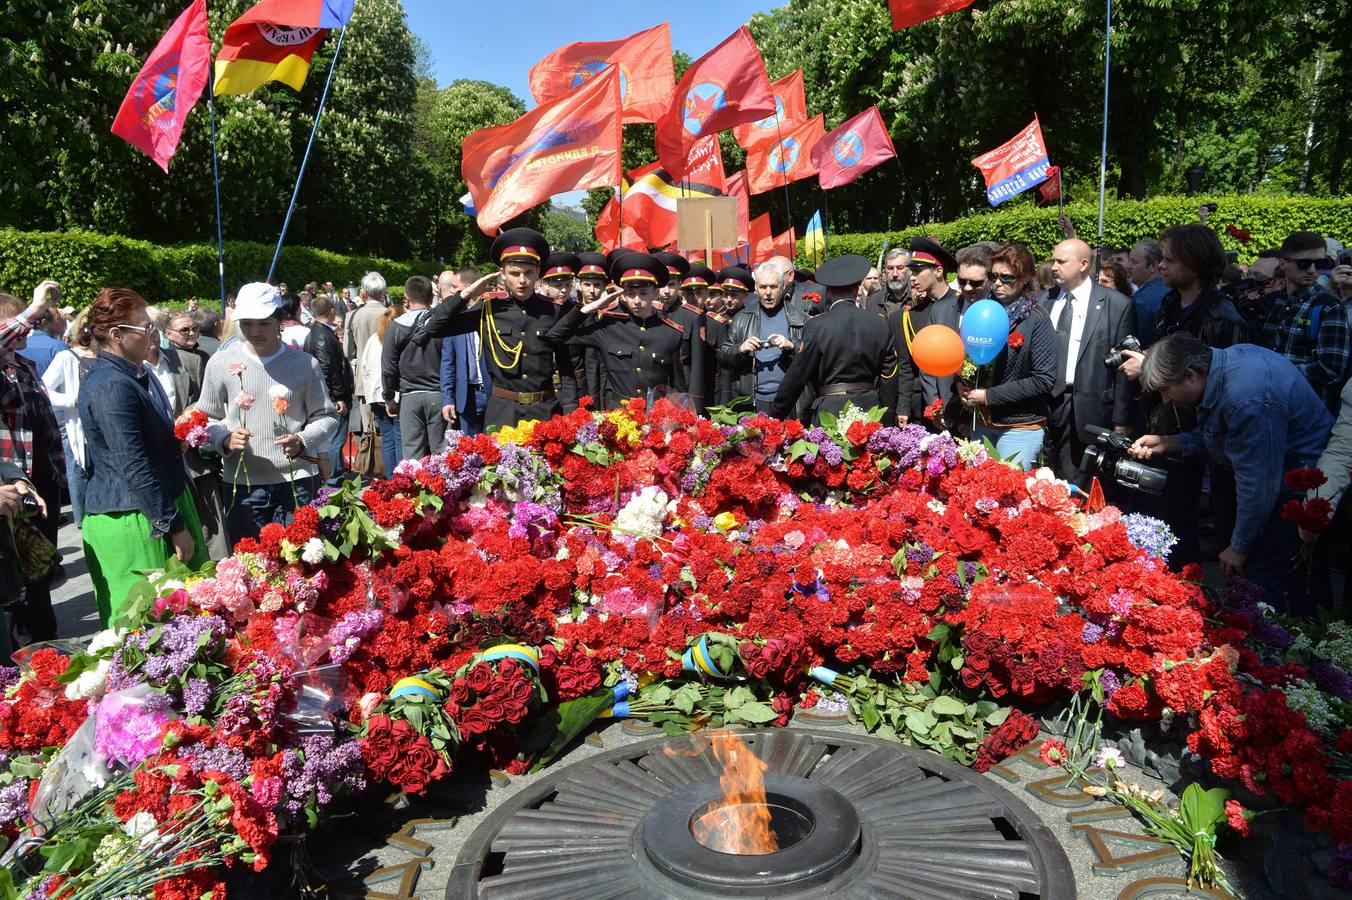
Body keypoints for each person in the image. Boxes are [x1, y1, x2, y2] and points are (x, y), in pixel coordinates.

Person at [1128, 333, 1332, 613]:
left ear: (1191, 376)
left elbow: (1258, 484)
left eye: (1166, 389)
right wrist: (1170, 442)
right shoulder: (1221, 370)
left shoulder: (1247, 398)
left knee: (1262, 573)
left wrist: (1240, 545)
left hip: (1299, 481)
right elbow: (1219, 434)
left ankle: (1281, 646)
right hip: (1281, 473)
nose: (1165, 400)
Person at [78, 288, 208, 626]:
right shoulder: (111, 385)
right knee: (147, 625)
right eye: (145, 329)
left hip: (157, 504)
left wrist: (171, 440)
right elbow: (130, 463)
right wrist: (172, 524)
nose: (152, 335)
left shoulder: (133, 373)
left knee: (186, 620)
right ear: (116, 335)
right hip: (135, 516)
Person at [1135, 224, 1249, 568]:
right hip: (1163, 427)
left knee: (1180, 525)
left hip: (1200, 440)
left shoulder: (1222, 316)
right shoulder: (1168, 304)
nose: (1161, 266)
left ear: (1195, 265)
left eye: (1169, 259)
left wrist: (1147, 368)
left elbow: (1222, 386)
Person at [197, 283, 339, 543]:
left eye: (263, 323)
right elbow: (205, 416)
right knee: (250, 568)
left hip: (296, 482)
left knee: (299, 566)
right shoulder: (220, 362)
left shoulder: (305, 364)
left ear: (279, 320)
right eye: (246, 323)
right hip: (242, 485)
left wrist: (303, 440)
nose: (254, 331)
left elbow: (326, 416)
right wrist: (223, 439)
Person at [411, 229, 576, 431]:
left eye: (528, 273)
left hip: (544, 412)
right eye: (514, 273)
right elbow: (434, 328)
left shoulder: (554, 311)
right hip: (503, 413)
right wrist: (464, 295)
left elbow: (566, 369)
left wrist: (570, 412)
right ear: (503, 273)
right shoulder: (488, 309)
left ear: (538, 273)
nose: (522, 280)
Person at [0, 282, 67, 644]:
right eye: (18, 321)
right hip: (13, 481)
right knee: (19, 565)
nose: (30, 324)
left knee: (42, 559)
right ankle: (34, 635)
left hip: (41, 477)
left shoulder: (24, 365)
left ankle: (43, 636)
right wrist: (34, 307)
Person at [1044, 238, 1136, 488]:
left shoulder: (1117, 305)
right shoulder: (1043, 301)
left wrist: (1121, 420)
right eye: (1053, 260)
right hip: (1043, 406)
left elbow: (1125, 367)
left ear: (1084, 264)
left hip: (1088, 409)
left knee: (1078, 485)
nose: (1054, 266)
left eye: (1061, 261)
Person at [955, 243, 1057, 470]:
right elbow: (969, 356)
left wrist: (988, 396)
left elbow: (1044, 379)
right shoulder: (981, 310)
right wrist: (961, 384)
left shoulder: (1036, 319)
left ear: (1025, 279)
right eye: (994, 276)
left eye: (1007, 277)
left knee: (1009, 495)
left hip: (1020, 426)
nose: (998, 283)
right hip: (981, 422)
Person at [544, 253, 688, 406]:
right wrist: (590, 308)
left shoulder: (671, 333)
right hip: (618, 416)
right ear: (622, 296)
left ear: (655, 293)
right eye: (630, 294)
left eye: (643, 293)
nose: (637, 301)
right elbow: (555, 336)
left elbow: (677, 387)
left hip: (655, 417)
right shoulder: (609, 327)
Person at [770, 254, 899, 424]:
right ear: (857, 289)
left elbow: (798, 374)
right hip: (870, 410)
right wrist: (888, 414)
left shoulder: (817, 326)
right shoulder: (880, 323)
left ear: (828, 292)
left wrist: (776, 412)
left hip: (831, 412)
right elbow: (890, 375)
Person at [1258, 231, 1350, 413]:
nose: (1312, 270)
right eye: (1304, 264)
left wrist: (1275, 375)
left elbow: (1331, 369)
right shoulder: (1272, 302)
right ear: (1283, 263)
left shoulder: (1329, 306)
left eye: (1321, 264)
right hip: (1265, 407)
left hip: (1305, 414)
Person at [890, 237, 961, 427]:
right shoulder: (911, 315)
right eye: (911, 271)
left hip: (961, 404)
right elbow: (906, 365)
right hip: (926, 407)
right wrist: (904, 407)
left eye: (918, 271)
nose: (911, 277)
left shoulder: (962, 304)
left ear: (938, 271)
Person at [717, 261, 804, 415]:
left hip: (790, 402)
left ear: (783, 287)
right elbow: (723, 355)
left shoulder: (799, 318)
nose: (768, 292)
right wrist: (740, 349)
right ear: (756, 289)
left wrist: (792, 346)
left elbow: (812, 358)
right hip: (752, 402)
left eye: (773, 287)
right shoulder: (742, 318)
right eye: (763, 287)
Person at [383, 275, 446, 462]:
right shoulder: (441, 323)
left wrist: (388, 398)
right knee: (442, 456)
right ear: (431, 296)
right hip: (438, 394)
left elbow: (388, 367)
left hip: (410, 396)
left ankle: (416, 491)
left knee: (412, 458)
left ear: (406, 297)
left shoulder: (395, 327)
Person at [42, 310, 98, 524]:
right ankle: (83, 519)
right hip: (80, 428)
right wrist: (72, 400)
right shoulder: (67, 356)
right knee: (79, 470)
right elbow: (43, 388)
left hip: (106, 427)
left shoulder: (105, 355)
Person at [305, 295, 353, 485]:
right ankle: (333, 480)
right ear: (332, 311)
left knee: (334, 440)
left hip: (330, 394)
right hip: (333, 397)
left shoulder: (317, 332)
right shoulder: (322, 336)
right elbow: (327, 369)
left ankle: (334, 477)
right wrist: (337, 397)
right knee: (335, 440)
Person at [361, 309, 403, 477]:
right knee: (399, 439)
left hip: (375, 395)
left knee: (387, 440)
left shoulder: (373, 339)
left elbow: (364, 368)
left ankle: (391, 480)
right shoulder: (398, 338)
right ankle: (401, 480)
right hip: (394, 395)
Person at [1127, 240, 1169, 340]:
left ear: (1153, 266)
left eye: (1135, 262)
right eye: (1129, 260)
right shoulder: (1171, 290)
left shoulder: (1142, 301)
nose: (1128, 266)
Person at [17, 305, 68, 376]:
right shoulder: (59, 348)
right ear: (45, 323)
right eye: (58, 318)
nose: (63, 321)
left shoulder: (19, 346)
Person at [863, 247, 911, 317]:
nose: (895, 274)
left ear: (909, 269)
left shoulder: (917, 298)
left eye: (900, 268)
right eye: (890, 268)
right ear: (885, 270)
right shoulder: (874, 300)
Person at [954, 245, 993, 310]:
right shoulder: (940, 309)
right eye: (962, 281)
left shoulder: (1006, 311)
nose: (967, 288)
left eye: (975, 283)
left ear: (991, 280)